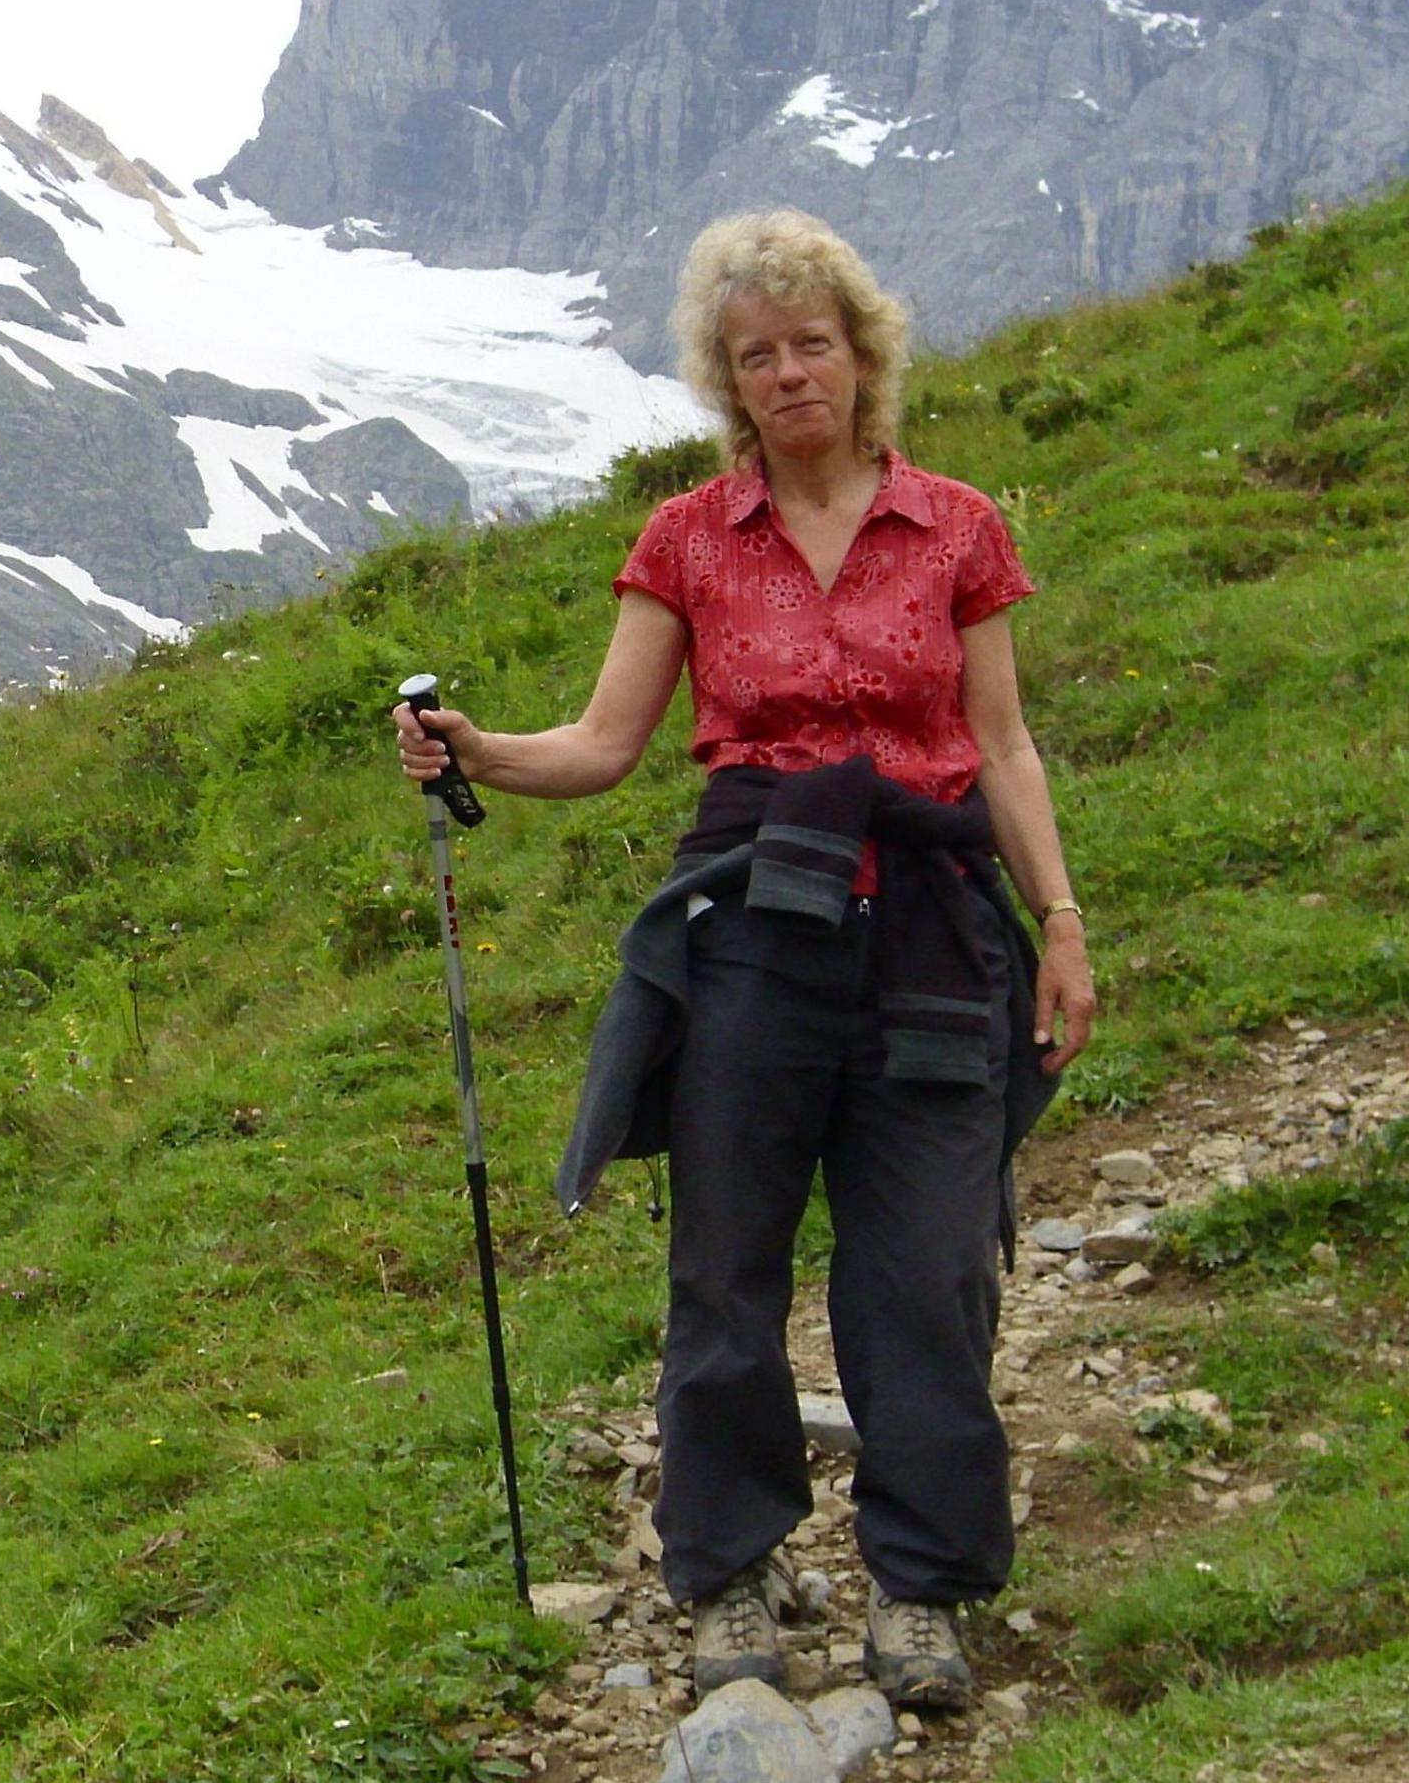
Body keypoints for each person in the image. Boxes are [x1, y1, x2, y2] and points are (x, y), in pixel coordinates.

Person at [390, 210, 1096, 1714]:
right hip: (752, 940)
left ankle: (922, 1586)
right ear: (728, 381)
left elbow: (1002, 741)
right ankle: (727, 1570)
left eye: (811, 344)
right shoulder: (688, 541)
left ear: (863, 353)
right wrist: (476, 753)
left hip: (930, 931)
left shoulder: (959, 526)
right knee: (725, 1268)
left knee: (925, 1269)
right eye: (755, 354)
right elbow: (603, 743)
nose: (788, 374)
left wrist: (1064, 926)